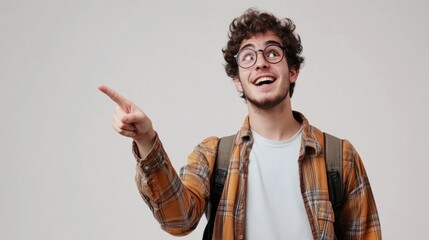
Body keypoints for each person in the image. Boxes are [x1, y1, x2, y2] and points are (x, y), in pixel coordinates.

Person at [98, 8, 381, 240]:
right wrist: (146, 141)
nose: (260, 64)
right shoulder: (212, 155)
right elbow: (178, 221)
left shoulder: (339, 158)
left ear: (292, 71)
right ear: (237, 80)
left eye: (272, 53)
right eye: (248, 57)